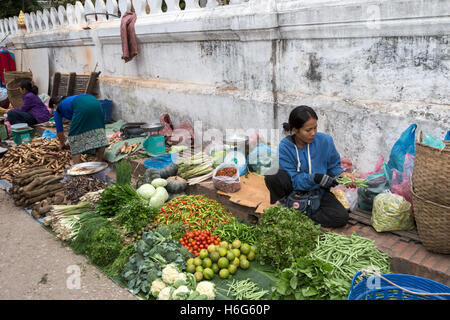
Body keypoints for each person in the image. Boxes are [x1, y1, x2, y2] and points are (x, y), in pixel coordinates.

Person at [265, 105, 355, 228]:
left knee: (341, 218)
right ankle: (289, 203)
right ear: (295, 130)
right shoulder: (285, 147)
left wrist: (341, 174)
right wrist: (314, 178)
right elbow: (294, 179)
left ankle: (299, 211)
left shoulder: (325, 141)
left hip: (318, 191)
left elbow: (333, 166)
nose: (313, 133)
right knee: (273, 175)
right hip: (294, 190)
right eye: (308, 130)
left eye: (315, 128)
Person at [49, 94, 108, 164]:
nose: (53, 111)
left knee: (74, 137)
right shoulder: (67, 100)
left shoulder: (57, 109)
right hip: (95, 102)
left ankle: (78, 166)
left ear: (54, 105)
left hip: (82, 107)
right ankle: (99, 160)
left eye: (52, 109)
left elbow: (59, 131)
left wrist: (62, 143)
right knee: (98, 129)